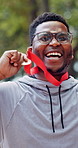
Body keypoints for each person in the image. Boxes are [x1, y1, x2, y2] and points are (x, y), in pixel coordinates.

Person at [0, 12, 78, 148]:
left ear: (71, 52)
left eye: (62, 37)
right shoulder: (8, 95)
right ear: (30, 51)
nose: (54, 43)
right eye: (44, 38)